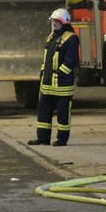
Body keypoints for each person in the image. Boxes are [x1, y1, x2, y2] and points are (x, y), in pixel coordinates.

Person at [28, 8, 80, 146]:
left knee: (63, 115)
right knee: (43, 113)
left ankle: (62, 139)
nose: (54, 23)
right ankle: (43, 138)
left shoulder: (71, 38)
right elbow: (48, 59)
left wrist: (59, 74)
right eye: (53, 21)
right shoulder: (52, 36)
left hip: (62, 85)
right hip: (47, 84)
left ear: (64, 22)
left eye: (57, 21)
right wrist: (44, 73)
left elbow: (71, 61)